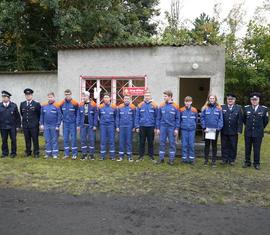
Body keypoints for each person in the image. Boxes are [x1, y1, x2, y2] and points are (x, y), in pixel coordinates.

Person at [243, 92, 269, 170]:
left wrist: (260, 128)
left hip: (258, 133)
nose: (254, 101)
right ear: (250, 100)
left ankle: (256, 163)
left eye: (256, 99)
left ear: (258, 100)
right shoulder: (246, 108)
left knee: (257, 148)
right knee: (247, 148)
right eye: (252, 99)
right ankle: (247, 162)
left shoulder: (264, 109)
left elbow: (266, 121)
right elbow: (244, 120)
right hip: (248, 132)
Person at [156, 90, 180, 165]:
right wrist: (158, 128)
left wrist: (176, 129)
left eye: (165, 96)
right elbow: (158, 118)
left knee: (172, 143)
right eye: (164, 96)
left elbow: (178, 118)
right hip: (163, 127)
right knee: (162, 143)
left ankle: (171, 160)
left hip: (171, 128)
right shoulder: (161, 105)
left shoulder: (175, 106)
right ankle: (161, 159)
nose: (164, 97)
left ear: (170, 97)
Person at [135, 90, 158, 162]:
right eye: (145, 96)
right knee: (141, 142)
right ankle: (141, 156)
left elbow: (157, 117)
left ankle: (151, 156)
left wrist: (156, 127)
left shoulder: (154, 105)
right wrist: (137, 126)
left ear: (150, 96)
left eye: (148, 96)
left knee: (151, 142)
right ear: (144, 96)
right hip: (142, 126)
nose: (147, 97)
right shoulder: (140, 105)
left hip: (151, 126)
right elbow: (137, 116)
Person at [200, 94, 223, 167]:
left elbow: (221, 119)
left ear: (215, 99)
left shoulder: (219, 108)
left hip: (215, 130)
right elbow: (202, 118)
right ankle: (206, 160)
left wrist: (218, 128)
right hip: (207, 129)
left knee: (214, 145)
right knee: (207, 145)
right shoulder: (205, 108)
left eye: (213, 98)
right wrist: (204, 127)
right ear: (208, 99)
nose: (212, 99)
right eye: (210, 98)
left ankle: (214, 161)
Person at [221, 93, 243, 165]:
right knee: (224, 145)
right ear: (227, 100)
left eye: (232, 99)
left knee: (233, 145)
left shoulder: (238, 108)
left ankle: (232, 159)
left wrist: (239, 130)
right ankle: (224, 159)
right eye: (228, 99)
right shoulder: (222, 107)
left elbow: (240, 120)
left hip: (234, 131)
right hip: (224, 130)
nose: (230, 100)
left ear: (234, 100)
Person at [20, 88, 41, 158]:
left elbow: (39, 114)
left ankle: (36, 152)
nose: (28, 96)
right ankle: (28, 152)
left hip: (34, 125)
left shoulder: (36, 104)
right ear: (25, 96)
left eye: (29, 95)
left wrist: (36, 123)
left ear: (32, 95)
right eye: (26, 95)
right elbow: (22, 114)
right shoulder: (22, 104)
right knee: (27, 139)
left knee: (35, 139)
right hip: (25, 125)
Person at [40, 92, 62, 159]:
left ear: (54, 97)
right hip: (46, 125)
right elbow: (42, 115)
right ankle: (48, 153)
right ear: (47, 97)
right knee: (47, 140)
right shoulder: (44, 105)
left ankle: (55, 154)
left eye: (51, 97)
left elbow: (59, 116)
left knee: (54, 140)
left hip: (54, 126)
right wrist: (41, 124)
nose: (50, 98)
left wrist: (58, 125)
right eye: (49, 97)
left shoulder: (57, 105)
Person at [77, 91, 98, 160]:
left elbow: (95, 115)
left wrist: (95, 125)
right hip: (83, 125)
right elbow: (78, 115)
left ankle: (91, 154)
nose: (84, 97)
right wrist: (78, 125)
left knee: (91, 140)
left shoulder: (93, 104)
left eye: (85, 96)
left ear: (88, 96)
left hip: (90, 126)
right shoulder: (80, 104)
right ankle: (84, 154)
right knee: (83, 140)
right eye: (83, 96)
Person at [59, 89, 79, 160]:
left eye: (68, 94)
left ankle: (74, 154)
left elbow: (77, 114)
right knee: (65, 139)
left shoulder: (75, 103)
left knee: (73, 139)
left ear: (71, 94)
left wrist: (77, 124)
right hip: (65, 123)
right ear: (65, 95)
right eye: (66, 94)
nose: (67, 96)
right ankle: (66, 154)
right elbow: (60, 112)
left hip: (72, 124)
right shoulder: (62, 103)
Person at [0, 91, 21, 158]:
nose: (4, 98)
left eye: (5, 97)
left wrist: (18, 126)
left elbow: (18, 116)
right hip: (3, 126)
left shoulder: (14, 105)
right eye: (3, 97)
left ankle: (13, 153)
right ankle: (5, 153)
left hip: (12, 126)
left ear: (9, 98)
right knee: (4, 140)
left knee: (13, 140)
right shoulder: (0, 105)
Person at [116, 95, 136, 162]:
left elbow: (134, 117)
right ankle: (121, 156)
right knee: (121, 141)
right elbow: (117, 117)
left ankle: (129, 156)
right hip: (121, 127)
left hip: (129, 127)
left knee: (129, 142)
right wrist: (117, 126)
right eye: (125, 98)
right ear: (123, 99)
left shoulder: (133, 107)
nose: (126, 100)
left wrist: (134, 127)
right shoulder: (120, 107)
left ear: (130, 99)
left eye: (127, 98)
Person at [98, 93, 117, 160]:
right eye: (105, 97)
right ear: (103, 99)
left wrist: (115, 125)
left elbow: (115, 117)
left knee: (111, 141)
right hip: (103, 125)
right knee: (103, 140)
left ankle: (112, 156)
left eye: (107, 97)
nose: (106, 99)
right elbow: (99, 116)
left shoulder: (114, 106)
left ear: (110, 98)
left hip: (111, 125)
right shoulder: (100, 107)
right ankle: (102, 156)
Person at [179, 96, 198, 164]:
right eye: (186, 101)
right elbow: (179, 120)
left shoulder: (194, 110)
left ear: (191, 102)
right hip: (184, 130)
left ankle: (191, 159)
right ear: (184, 102)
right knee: (184, 144)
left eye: (189, 101)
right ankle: (184, 159)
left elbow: (196, 120)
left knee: (191, 144)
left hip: (192, 130)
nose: (187, 103)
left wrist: (194, 126)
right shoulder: (181, 110)